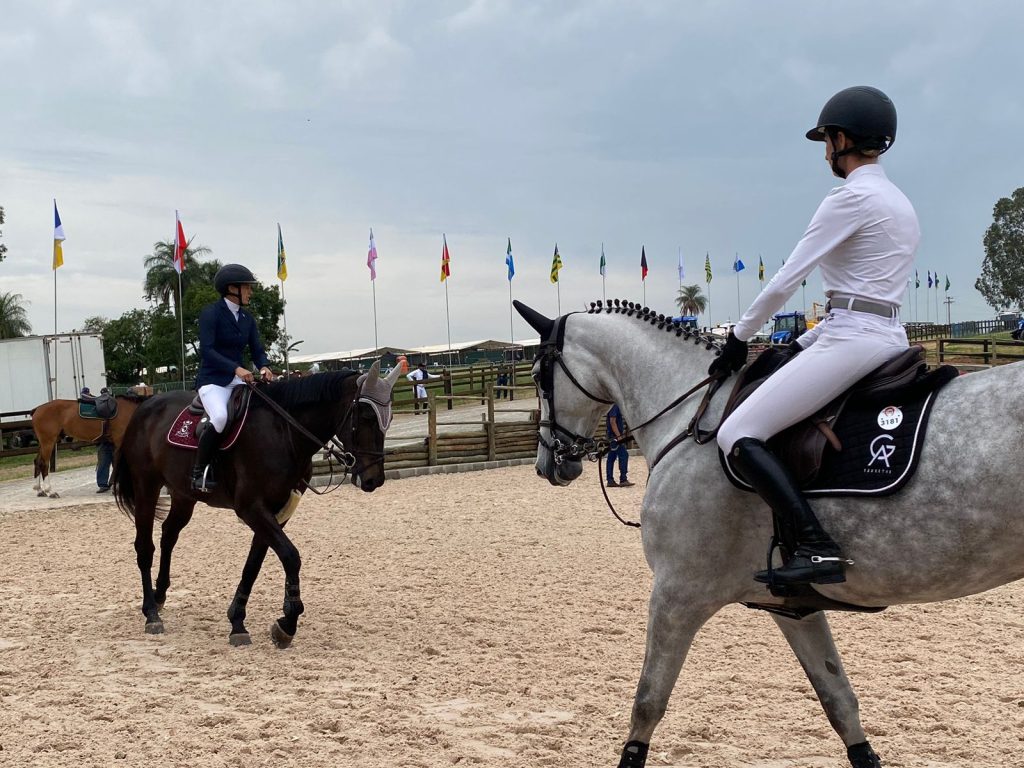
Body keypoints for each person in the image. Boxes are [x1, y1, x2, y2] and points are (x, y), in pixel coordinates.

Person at [712, 86, 918, 588]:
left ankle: (817, 545)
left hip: (854, 338)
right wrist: (801, 342)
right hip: (884, 332)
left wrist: (740, 337)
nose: (825, 151)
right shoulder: (898, 200)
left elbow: (788, 278)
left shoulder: (849, 198)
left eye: (827, 140)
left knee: (735, 433)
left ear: (842, 140)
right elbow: (864, 292)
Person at [192, 263, 274, 492]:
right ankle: (199, 472)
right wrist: (236, 369)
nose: (251, 292)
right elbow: (207, 350)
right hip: (213, 380)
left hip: (238, 379)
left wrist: (264, 366)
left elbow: (257, 350)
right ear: (232, 288)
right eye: (247, 287)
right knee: (219, 417)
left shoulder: (247, 319)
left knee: (261, 412)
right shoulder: (211, 313)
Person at [605, 404, 634, 487]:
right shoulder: (615, 406)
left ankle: (610, 480)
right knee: (624, 455)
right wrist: (619, 436)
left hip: (612, 436)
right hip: (615, 437)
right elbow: (612, 421)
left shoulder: (613, 405)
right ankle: (623, 479)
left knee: (611, 457)